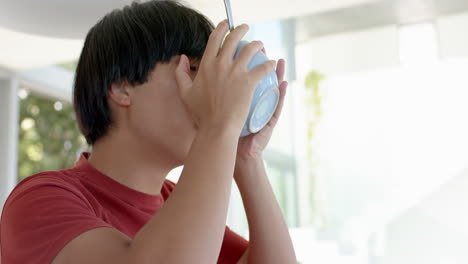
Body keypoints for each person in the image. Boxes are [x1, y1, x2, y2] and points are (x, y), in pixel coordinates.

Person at [0, 1, 296, 263]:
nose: (207, 90)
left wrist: (247, 157)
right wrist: (218, 126)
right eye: (194, 69)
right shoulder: (41, 201)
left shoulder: (179, 200)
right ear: (121, 87)